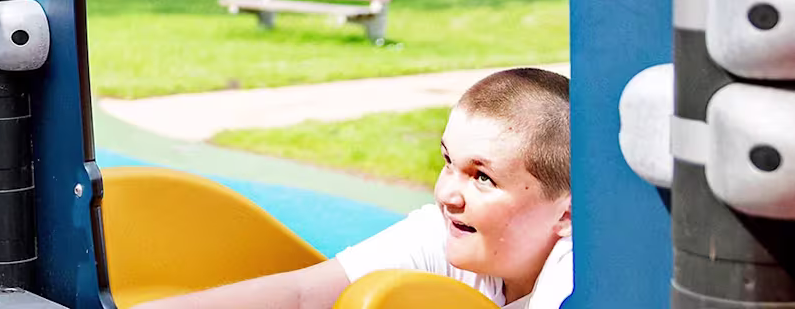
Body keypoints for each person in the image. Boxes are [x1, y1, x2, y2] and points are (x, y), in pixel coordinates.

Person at [138, 68, 573, 309]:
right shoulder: (450, 232)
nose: (447, 194)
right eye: (447, 162)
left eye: (482, 177)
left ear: (567, 215)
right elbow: (302, 296)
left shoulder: (577, 277)